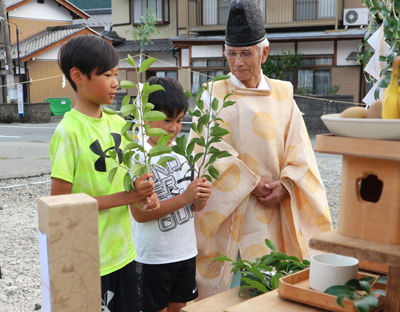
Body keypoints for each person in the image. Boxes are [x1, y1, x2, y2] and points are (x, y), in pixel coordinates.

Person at [190, 0, 332, 299]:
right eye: (231, 54)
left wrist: (287, 184)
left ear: (263, 53)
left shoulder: (282, 93)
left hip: (274, 206)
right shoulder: (213, 94)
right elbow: (204, 148)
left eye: (246, 54)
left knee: (267, 282)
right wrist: (251, 183)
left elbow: (301, 149)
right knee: (225, 288)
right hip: (228, 210)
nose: (238, 62)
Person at [49, 34, 160, 312]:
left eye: (117, 74)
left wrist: (142, 196)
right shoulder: (69, 132)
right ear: (78, 76)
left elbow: (126, 185)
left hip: (122, 252)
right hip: (86, 257)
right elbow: (61, 207)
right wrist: (127, 196)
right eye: (107, 75)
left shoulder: (118, 123)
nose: (115, 82)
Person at [130, 77, 212, 312]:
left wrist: (201, 196)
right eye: (166, 120)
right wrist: (185, 198)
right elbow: (140, 215)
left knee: (180, 307)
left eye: (178, 120)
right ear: (144, 118)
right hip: (153, 258)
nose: (174, 128)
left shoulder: (182, 155)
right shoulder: (139, 157)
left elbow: (194, 208)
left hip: (184, 252)